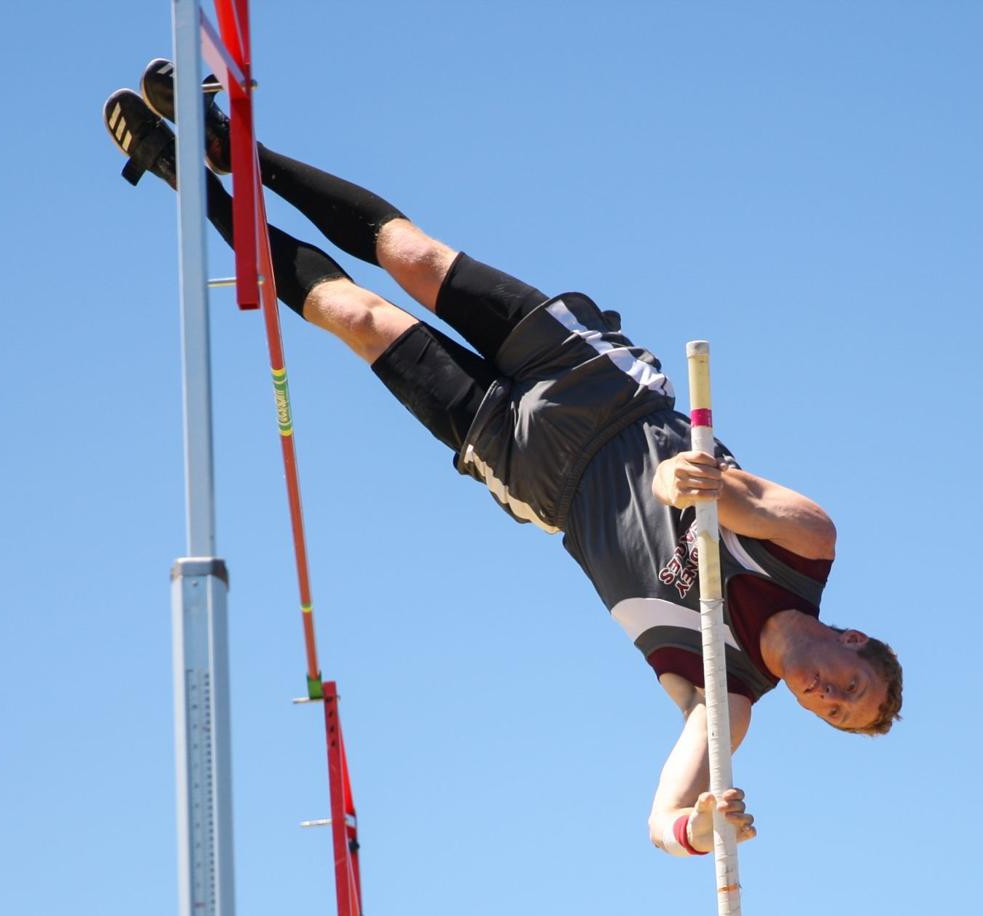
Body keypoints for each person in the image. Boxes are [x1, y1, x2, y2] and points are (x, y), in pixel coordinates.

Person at [104, 59, 903, 858]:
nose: (829, 695)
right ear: (856, 640)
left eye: (833, 713)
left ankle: (183, 176)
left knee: (353, 315)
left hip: (529, 470)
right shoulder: (810, 547)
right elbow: (720, 492)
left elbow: (661, 823)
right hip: (596, 387)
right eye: (851, 687)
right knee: (415, 258)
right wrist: (684, 484)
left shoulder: (724, 702)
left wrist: (699, 827)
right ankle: (229, 145)